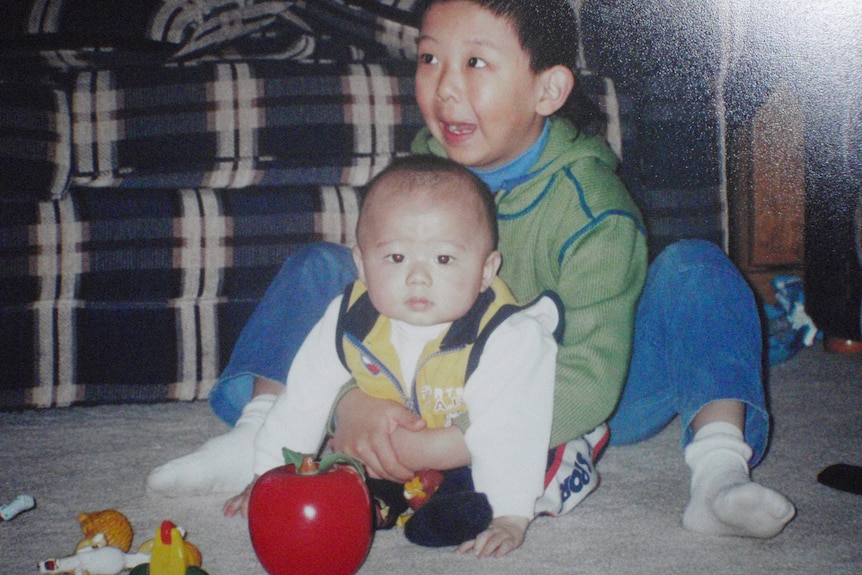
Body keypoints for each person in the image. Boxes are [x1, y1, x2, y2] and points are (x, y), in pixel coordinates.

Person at [149, 0, 795, 550]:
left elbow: (591, 377)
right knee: (322, 266)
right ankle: (255, 430)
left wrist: (456, 443)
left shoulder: (595, 209)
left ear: (548, 89)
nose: (445, 87)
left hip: (592, 390)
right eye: (430, 58)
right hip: (430, 378)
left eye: (475, 63)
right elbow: (370, 304)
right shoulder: (422, 172)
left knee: (697, 270)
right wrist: (351, 405)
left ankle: (718, 470)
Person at [223, 154, 562, 556]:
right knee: (347, 481)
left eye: (444, 259)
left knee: (541, 461)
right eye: (396, 258)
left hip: (484, 445)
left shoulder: (505, 336)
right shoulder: (349, 318)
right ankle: (391, 499)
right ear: (362, 266)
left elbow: (512, 429)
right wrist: (269, 476)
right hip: (396, 449)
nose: (419, 276)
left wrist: (510, 513)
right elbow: (303, 400)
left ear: (486, 271)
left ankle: (488, 494)